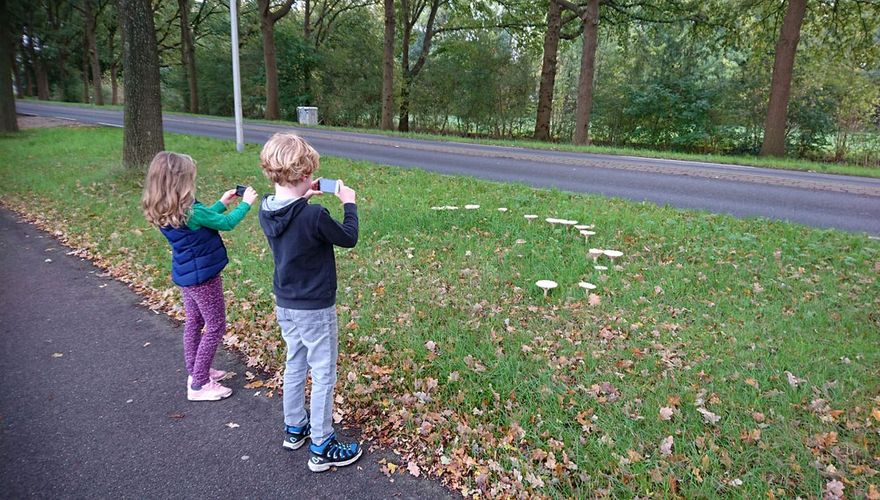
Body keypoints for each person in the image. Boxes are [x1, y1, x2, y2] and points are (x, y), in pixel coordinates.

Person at [257, 133, 362, 472]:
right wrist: (349, 202)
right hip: (315, 306)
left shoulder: (267, 210)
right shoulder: (314, 216)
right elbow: (348, 238)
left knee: (295, 363)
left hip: (285, 303)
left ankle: (294, 428)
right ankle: (322, 444)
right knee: (323, 372)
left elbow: (293, 215)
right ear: (304, 175)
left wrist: (303, 195)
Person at [141, 151, 257, 402]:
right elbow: (224, 224)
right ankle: (199, 384)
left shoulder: (167, 209)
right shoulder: (190, 210)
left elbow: (206, 220)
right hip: (204, 276)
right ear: (180, 183)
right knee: (215, 325)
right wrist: (245, 203)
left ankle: (196, 370)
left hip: (186, 273)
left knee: (194, 321)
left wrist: (222, 201)